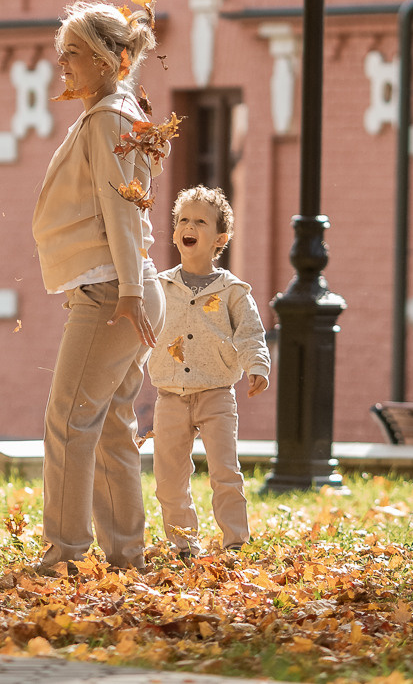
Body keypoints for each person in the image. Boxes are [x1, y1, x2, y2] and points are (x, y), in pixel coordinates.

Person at [31, 0, 165, 574]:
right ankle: (125, 556)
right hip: (121, 288)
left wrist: (130, 291)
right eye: (61, 54)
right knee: (110, 425)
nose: (63, 64)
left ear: (115, 59)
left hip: (114, 294)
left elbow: (123, 207)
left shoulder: (111, 115)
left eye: (76, 54)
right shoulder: (114, 113)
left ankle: (65, 552)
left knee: (69, 419)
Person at [149, 186, 269, 556]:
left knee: (225, 473)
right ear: (174, 233)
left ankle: (235, 542)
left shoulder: (232, 290)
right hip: (169, 393)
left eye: (200, 221)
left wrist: (258, 364)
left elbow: (250, 332)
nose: (189, 226)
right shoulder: (160, 286)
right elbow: (142, 328)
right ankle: (184, 544)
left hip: (216, 392)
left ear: (220, 238)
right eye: (183, 219)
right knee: (169, 478)